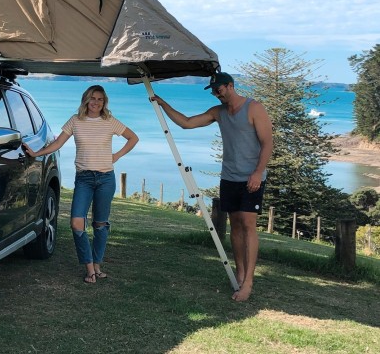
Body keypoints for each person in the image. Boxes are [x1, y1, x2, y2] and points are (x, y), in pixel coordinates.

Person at [150, 72, 273, 302]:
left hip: (252, 178)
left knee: (248, 224)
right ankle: (240, 272)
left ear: (230, 86)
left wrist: (258, 172)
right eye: (214, 90)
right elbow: (187, 123)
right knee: (235, 226)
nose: (217, 93)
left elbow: (268, 142)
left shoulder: (254, 108)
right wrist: (163, 104)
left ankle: (248, 283)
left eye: (219, 89)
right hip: (229, 177)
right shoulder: (218, 113)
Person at [23, 85, 139, 284]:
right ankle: (89, 266)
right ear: (86, 100)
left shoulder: (109, 121)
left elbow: (133, 138)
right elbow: (57, 144)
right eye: (92, 98)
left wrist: (116, 156)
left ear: (104, 102)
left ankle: (97, 266)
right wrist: (35, 153)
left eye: (100, 99)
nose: (96, 102)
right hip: (84, 178)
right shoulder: (75, 121)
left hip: (106, 178)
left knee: (100, 224)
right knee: (77, 223)